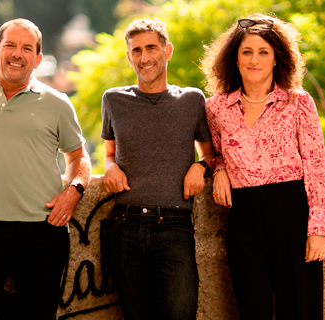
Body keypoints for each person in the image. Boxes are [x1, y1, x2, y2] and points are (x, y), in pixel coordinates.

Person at [0, 18, 91, 320]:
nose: (17, 54)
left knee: (41, 308)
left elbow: (79, 158)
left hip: (45, 226)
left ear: (37, 59)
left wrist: (73, 191)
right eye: (10, 45)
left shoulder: (58, 103)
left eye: (27, 48)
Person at [201, 14, 325, 319]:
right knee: (252, 310)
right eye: (246, 52)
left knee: (300, 309)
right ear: (234, 60)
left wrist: (317, 228)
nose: (254, 60)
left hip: (293, 214)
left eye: (264, 52)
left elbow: (316, 165)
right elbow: (214, 151)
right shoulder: (216, 108)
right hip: (243, 219)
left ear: (277, 59)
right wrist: (219, 169)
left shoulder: (298, 102)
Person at [101, 18, 214, 320]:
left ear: (168, 50)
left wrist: (199, 166)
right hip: (124, 224)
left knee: (180, 313)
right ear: (129, 57)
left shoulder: (191, 100)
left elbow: (211, 154)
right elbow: (109, 152)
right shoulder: (113, 99)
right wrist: (110, 167)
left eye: (151, 47)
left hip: (175, 226)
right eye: (136, 50)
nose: (144, 57)